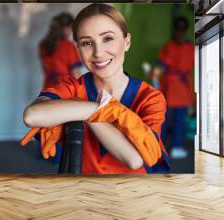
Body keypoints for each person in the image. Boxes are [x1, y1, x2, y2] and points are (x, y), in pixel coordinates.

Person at [22, 4, 170, 174]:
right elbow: (31, 115)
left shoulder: (150, 98)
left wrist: (81, 110)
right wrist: (95, 109)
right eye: (86, 43)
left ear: (127, 42)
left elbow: (135, 160)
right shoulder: (72, 87)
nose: (98, 52)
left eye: (107, 39)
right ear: (78, 49)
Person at [151, 16, 195, 159]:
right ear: (175, 30)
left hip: (181, 88)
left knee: (179, 122)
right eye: (178, 29)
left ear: (185, 30)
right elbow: (160, 66)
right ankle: (159, 149)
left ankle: (176, 148)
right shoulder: (169, 46)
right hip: (169, 87)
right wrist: (155, 80)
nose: (179, 32)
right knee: (163, 120)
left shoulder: (189, 47)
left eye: (182, 30)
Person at [39, 12, 82, 88]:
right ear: (66, 28)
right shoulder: (68, 46)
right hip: (65, 89)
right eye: (70, 28)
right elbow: (76, 73)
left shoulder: (43, 45)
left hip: (48, 88)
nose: (71, 32)